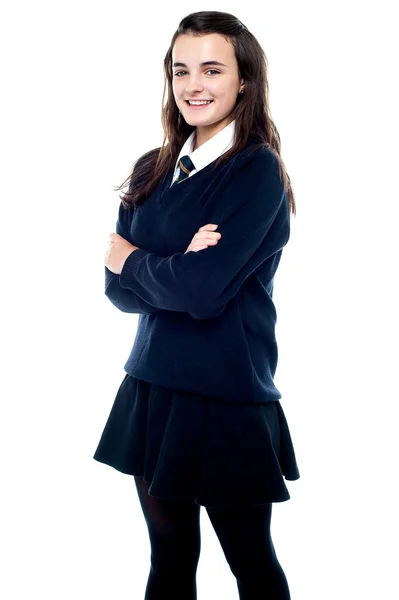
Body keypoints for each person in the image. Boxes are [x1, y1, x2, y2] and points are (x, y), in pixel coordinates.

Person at [94, 10, 300, 600]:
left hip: (227, 394)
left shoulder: (255, 171)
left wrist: (138, 258)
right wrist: (176, 264)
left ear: (245, 80)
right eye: (181, 70)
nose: (194, 85)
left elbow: (203, 293)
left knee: (252, 564)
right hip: (152, 385)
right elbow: (116, 293)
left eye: (212, 69)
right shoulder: (151, 169)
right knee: (169, 559)